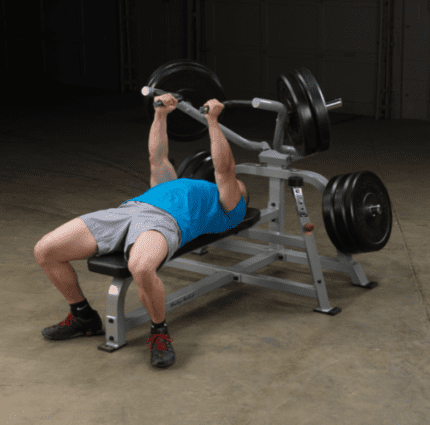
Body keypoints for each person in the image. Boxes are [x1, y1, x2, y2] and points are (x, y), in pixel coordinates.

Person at [34, 93, 249, 369]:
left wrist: (213, 122)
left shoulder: (229, 207)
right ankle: (83, 317)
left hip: (165, 222)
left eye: (239, 184)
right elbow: (157, 157)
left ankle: (159, 333)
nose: (237, 183)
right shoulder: (177, 183)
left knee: (142, 266)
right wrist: (160, 114)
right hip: (126, 211)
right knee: (46, 250)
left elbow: (224, 168)